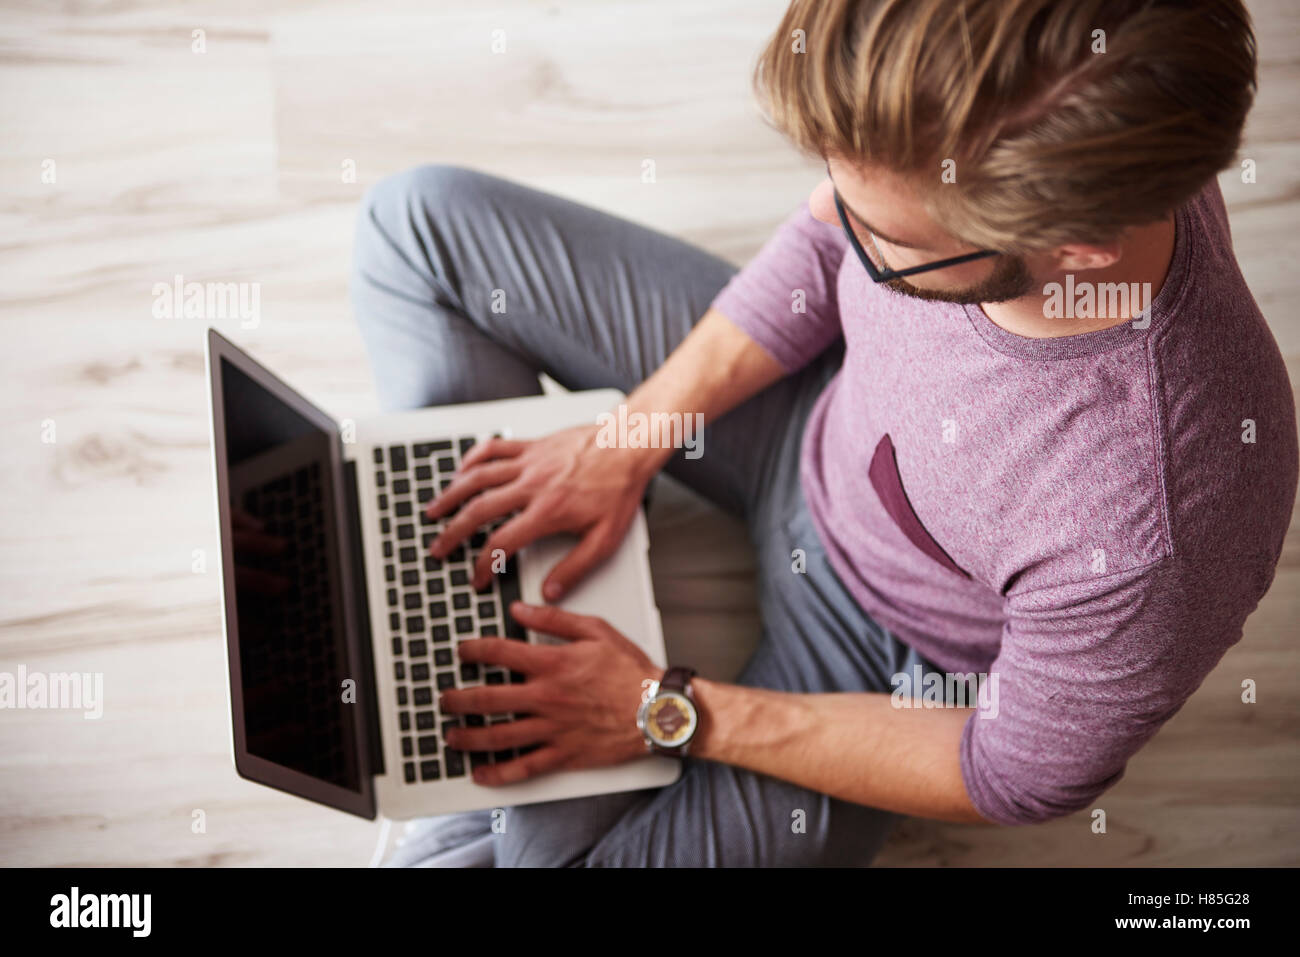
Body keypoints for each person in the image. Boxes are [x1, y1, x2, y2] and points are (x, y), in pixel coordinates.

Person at [350, 0, 1297, 866]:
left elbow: (1013, 773)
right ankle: (469, 662)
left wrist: (666, 707)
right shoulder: (1011, 99)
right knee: (414, 226)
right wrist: (629, 437)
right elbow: (821, 243)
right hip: (806, 412)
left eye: (888, 243)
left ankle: (463, 703)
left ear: (1078, 249)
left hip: (884, 663)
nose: (837, 222)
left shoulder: (1158, 522)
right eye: (840, 187)